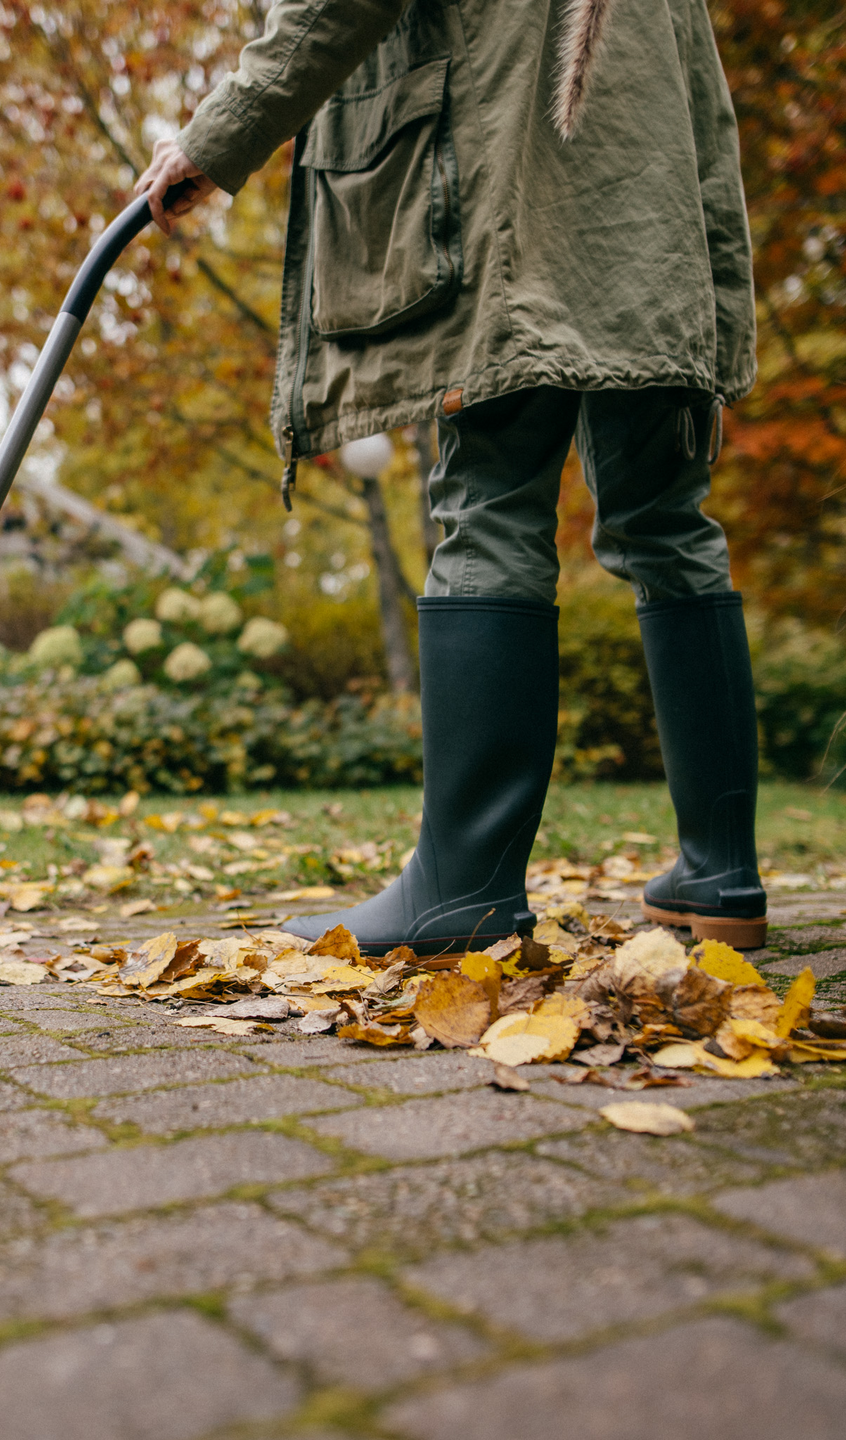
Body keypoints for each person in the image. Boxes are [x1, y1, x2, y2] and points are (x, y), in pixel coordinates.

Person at [136, 0, 766, 955]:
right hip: (652, 223)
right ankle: (722, 872)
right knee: (669, 526)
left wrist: (217, 135)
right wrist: (715, 307)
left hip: (516, 174)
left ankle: (464, 889)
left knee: (488, 507)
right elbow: (708, 110)